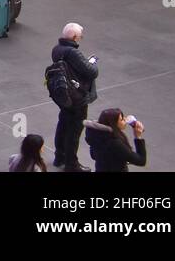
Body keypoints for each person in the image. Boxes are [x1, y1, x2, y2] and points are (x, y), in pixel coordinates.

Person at [51, 22, 100, 172]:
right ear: (73, 37)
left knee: (63, 124)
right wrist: (93, 63)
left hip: (64, 94)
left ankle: (59, 157)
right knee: (74, 130)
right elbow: (91, 72)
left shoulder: (57, 49)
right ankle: (72, 164)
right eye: (79, 37)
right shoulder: (73, 52)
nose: (80, 39)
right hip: (77, 97)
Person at [84, 108, 147, 173]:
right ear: (114, 124)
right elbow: (141, 161)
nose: (125, 120)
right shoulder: (114, 143)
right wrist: (138, 136)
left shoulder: (96, 135)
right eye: (122, 119)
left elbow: (94, 155)